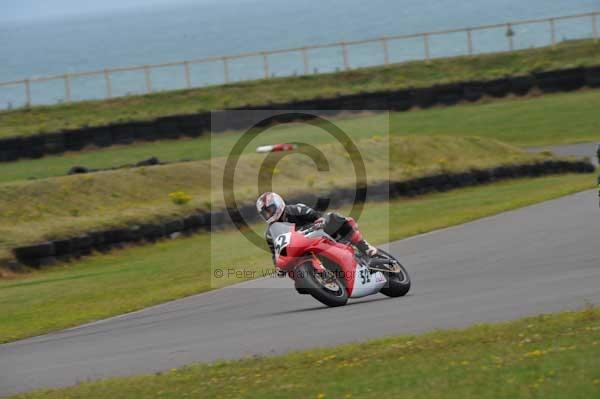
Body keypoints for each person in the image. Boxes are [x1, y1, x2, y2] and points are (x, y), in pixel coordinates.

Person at [256, 192, 378, 266]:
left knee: (333, 217)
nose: (269, 214)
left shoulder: (296, 209)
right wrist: (278, 266)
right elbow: (276, 253)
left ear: (278, 203)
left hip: (317, 234)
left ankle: (364, 247)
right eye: (265, 213)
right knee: (301, 288)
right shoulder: (270, 233)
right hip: (300, 249)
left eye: (270, 210)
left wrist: (320, 221)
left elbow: (316, 215)